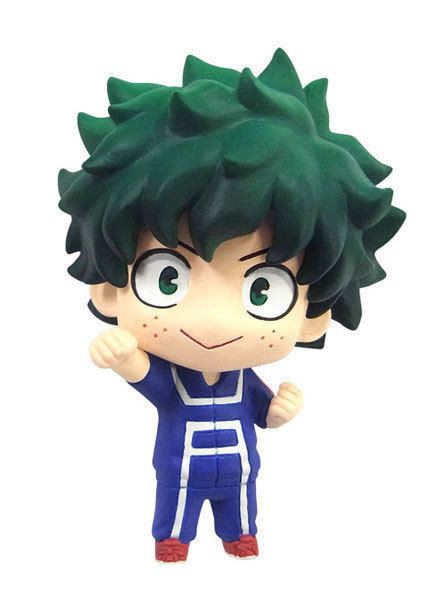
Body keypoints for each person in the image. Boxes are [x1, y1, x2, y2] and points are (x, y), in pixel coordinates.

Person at [58, 49, 405, 562]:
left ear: (314, 315)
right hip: (181, 468)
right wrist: (125, 357)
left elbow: (262, 411)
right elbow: (151, 383)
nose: (215, 319)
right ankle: (173, 538)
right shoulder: (178, 381)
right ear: (108, 289)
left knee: (241, 505)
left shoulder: (245, 381)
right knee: (177, 503)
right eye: (168, 278)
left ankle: (239, 534)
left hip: (241, 469)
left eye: (264, 289)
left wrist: (278, 412)